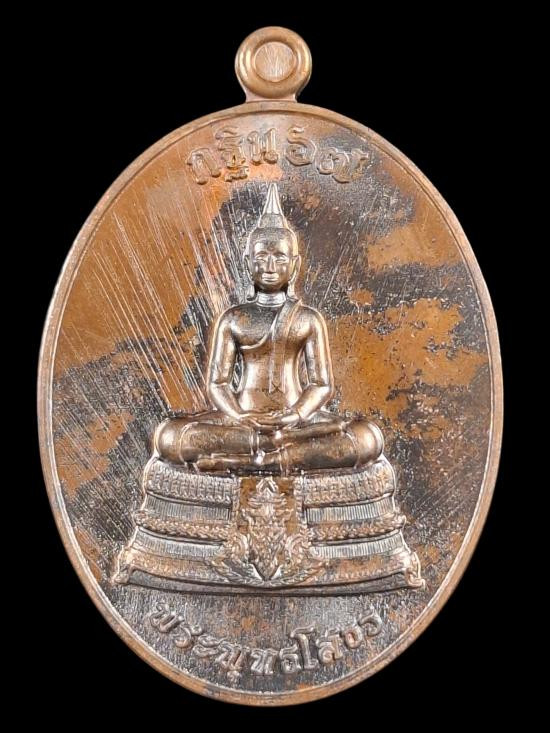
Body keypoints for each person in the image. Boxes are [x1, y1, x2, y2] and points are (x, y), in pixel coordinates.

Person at [155, 183, 383, 474]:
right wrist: (239, 415)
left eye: (280, 257)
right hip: (242, 423)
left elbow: (322, 384)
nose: (270, 266)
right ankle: (277, 452)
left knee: (366, 438)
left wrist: (295, 415)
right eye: (261, 257)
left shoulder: (308, 319)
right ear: (248, 262)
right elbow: (217, 384)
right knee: (169, 436)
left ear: (295, 265)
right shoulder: (234, 318)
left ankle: (259, 459)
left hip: (294, 424)